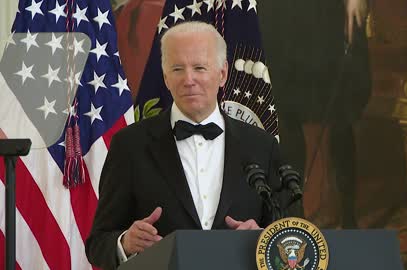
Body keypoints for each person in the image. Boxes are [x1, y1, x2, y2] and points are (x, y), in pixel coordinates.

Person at [85, 21, 282, 270]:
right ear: (166, 77)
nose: (189, 79)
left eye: (199, 67)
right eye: (178, 69)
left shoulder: (261, 145)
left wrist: (263, 237)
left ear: (222, 74)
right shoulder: (130, 145)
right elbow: (98, 243)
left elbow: (293, 235)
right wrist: (124, 243)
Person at [257, 0, 371, 228]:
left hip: (326, 14)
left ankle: (348, 216)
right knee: (285, 116)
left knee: (341, 113)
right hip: (277, 16)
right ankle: (293, 215)